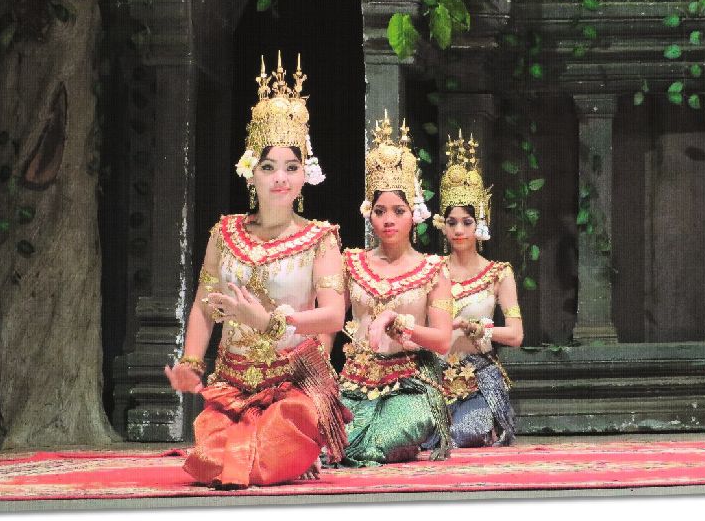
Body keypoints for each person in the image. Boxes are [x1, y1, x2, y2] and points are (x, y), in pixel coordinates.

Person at [165, 52, 350, 489]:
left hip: (293, 386)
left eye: (291, 167)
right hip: (232, 387)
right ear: (251, 173)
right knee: (208, 463)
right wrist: (191, 361)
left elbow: (334, 317)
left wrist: (269, 322)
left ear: (307, 174)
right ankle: (291, 455)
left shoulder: (321, 238)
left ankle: (297, 449)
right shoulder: (224, 233)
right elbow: (204, 308)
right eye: (268, 168)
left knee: (265, 455)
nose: (280, 178)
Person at [328, 111, 455, 467]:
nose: (388, 220)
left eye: (398, 211)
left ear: (414, 214)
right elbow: (329, 323)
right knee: (332, 443)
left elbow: (443, 340)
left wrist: (397, 322)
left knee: (378, 443)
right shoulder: (350, 263)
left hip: (411, 384)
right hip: (354, 381)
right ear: (369, 213)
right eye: (380, 210)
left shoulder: (434, 269)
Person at [425, 130, 523, 449]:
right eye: (451, 222)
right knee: (420, 432)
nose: (458, 230)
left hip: (479, 376)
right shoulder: (431, 271)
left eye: (467, 222)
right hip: (433, 375)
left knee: (468, 432)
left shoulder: (498, 274)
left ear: (480, 222)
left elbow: (516, 334)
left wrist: (473, 326)